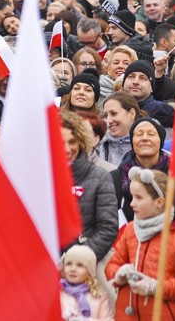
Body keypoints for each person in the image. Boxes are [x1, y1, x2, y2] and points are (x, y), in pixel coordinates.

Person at [106, 168, 175, 321]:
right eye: (132, 197)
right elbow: (112, 265)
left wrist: (155, 287)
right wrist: (118, 273)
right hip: (125, 316)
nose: (132, 204)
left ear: (159, 202)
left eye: (139, 198)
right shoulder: (131, 229)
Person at [61, 111, 118, 262]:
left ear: (81, 142)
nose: (67, 149)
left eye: (72, 142)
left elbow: (107, 229)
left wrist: (77, 259)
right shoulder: (38, 177)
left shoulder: (100, 177)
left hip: (85, 266)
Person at [112, 117, 171, 223]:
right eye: (139, 134)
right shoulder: (114, 178)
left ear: (161, 141)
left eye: (151, 134)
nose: (144, 138)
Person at [60, 245, 114, 321]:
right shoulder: (58, 293)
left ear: (89, 272)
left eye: (80, 265)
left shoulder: (99, 296)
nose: (73, 269)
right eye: (69, 264)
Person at [97, 91, 140, 166]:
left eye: (114, 114)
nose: (108, 120)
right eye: (106, 115)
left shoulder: (147, 145)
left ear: (132, 113)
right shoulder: (99, 147)